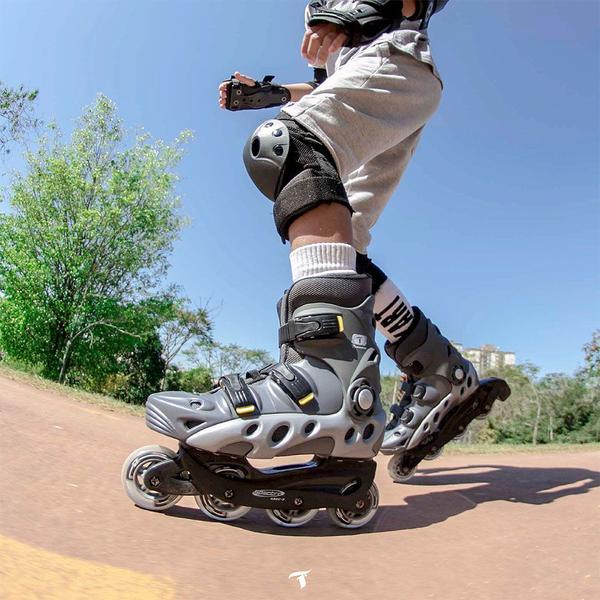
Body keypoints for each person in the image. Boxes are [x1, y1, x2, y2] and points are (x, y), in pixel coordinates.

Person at [217, 0, 483, 461]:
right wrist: (276, 93)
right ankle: (437, 366)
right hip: (390, 77)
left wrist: (364, 8)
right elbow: (330, 81)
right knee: (344, 250)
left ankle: (327, 378)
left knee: (287, 148)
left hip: (395, 61)